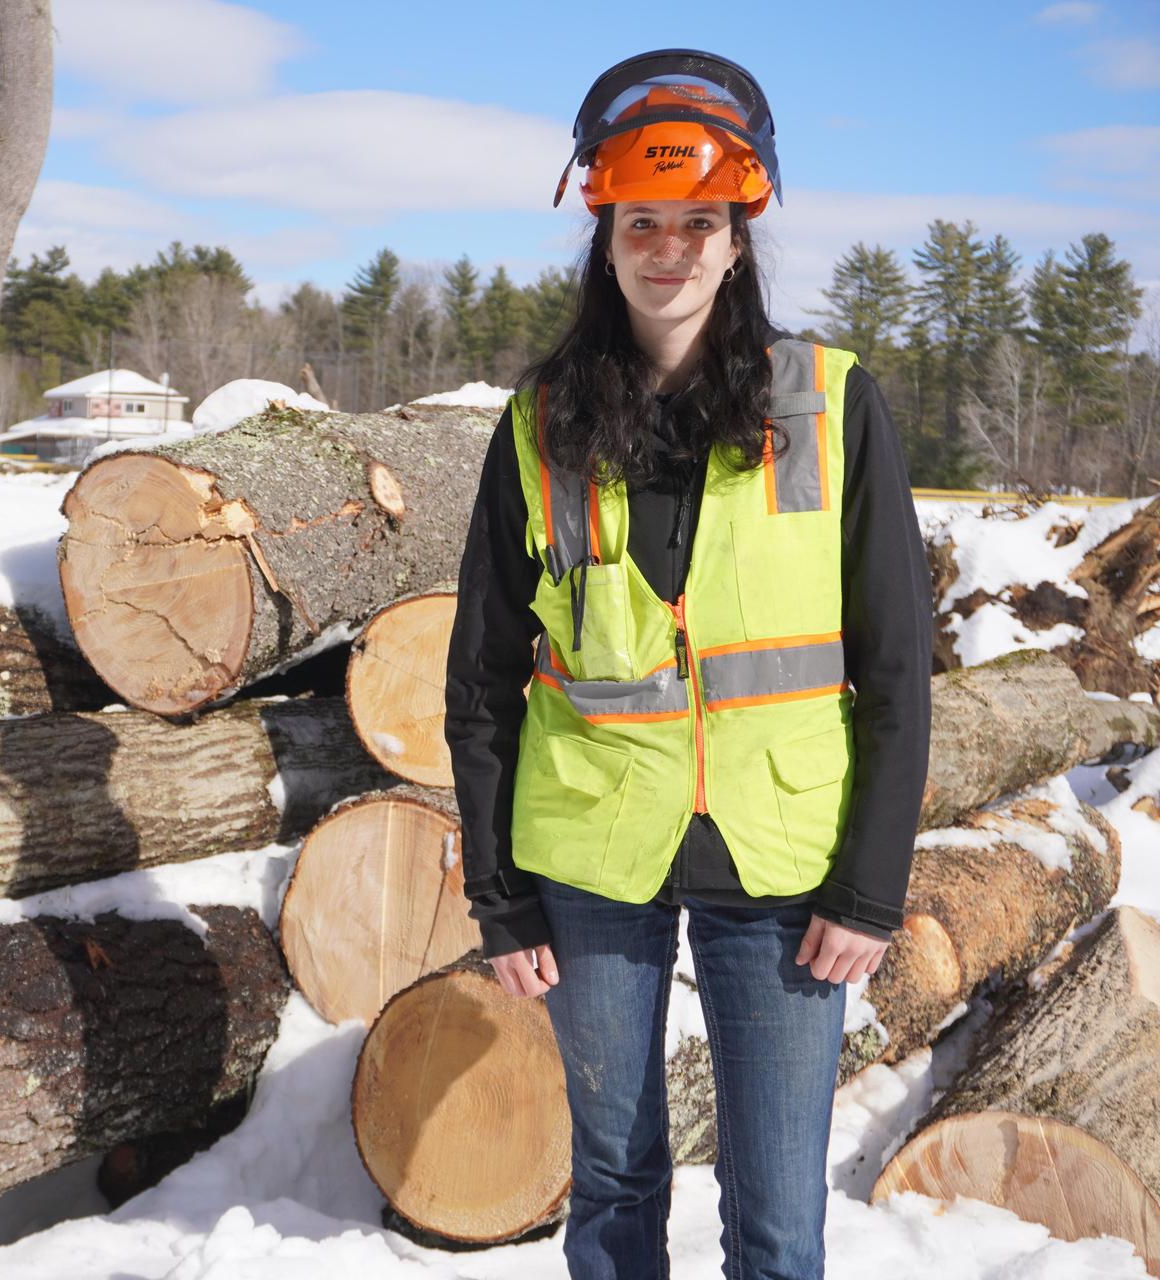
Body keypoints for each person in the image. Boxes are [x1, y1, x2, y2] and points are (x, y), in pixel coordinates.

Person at [444, 50, 931, 1280]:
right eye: (642, 223)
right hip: (590, 864)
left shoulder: (828, 402)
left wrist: (869, 888)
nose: (670, 249)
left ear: (739, 237)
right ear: (602, 234)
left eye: (698, 223)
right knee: (612, 1184)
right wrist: (500, 894)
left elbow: (896, 667)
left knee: (778, 1215)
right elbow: (483, 677)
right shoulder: (540, 422)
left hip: (784, 869)